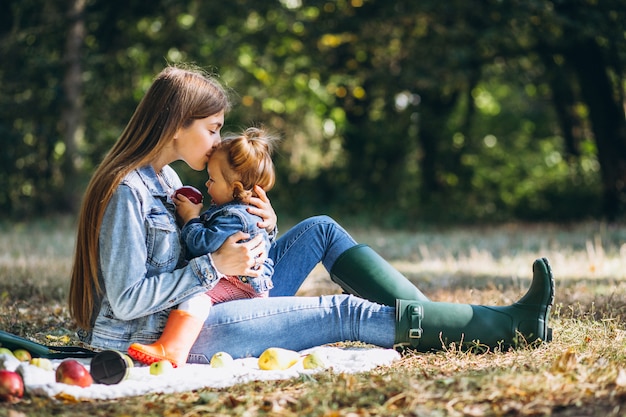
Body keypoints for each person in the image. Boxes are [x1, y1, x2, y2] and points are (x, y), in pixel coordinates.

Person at [69, 64, 555, 365]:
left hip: (223, 292)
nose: (220, 142)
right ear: (177, 125)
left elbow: (206, 242)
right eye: (213, 129)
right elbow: (129, 298)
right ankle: (505, 327)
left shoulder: (170, 183)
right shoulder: (125, 192)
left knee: (320, 228)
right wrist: (216, 265)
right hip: (178, 330)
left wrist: (260, 225)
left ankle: (433, 322)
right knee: (342, 311)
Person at [127, 127, 277, 367]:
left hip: (241, 287)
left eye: (212, 179)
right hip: (239, 280)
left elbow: (201, 245)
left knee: (197, 295)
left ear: (235, 188)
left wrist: (190, 218)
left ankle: (172, 349)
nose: (207, 184)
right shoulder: (238, 211)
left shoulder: (234, 217)